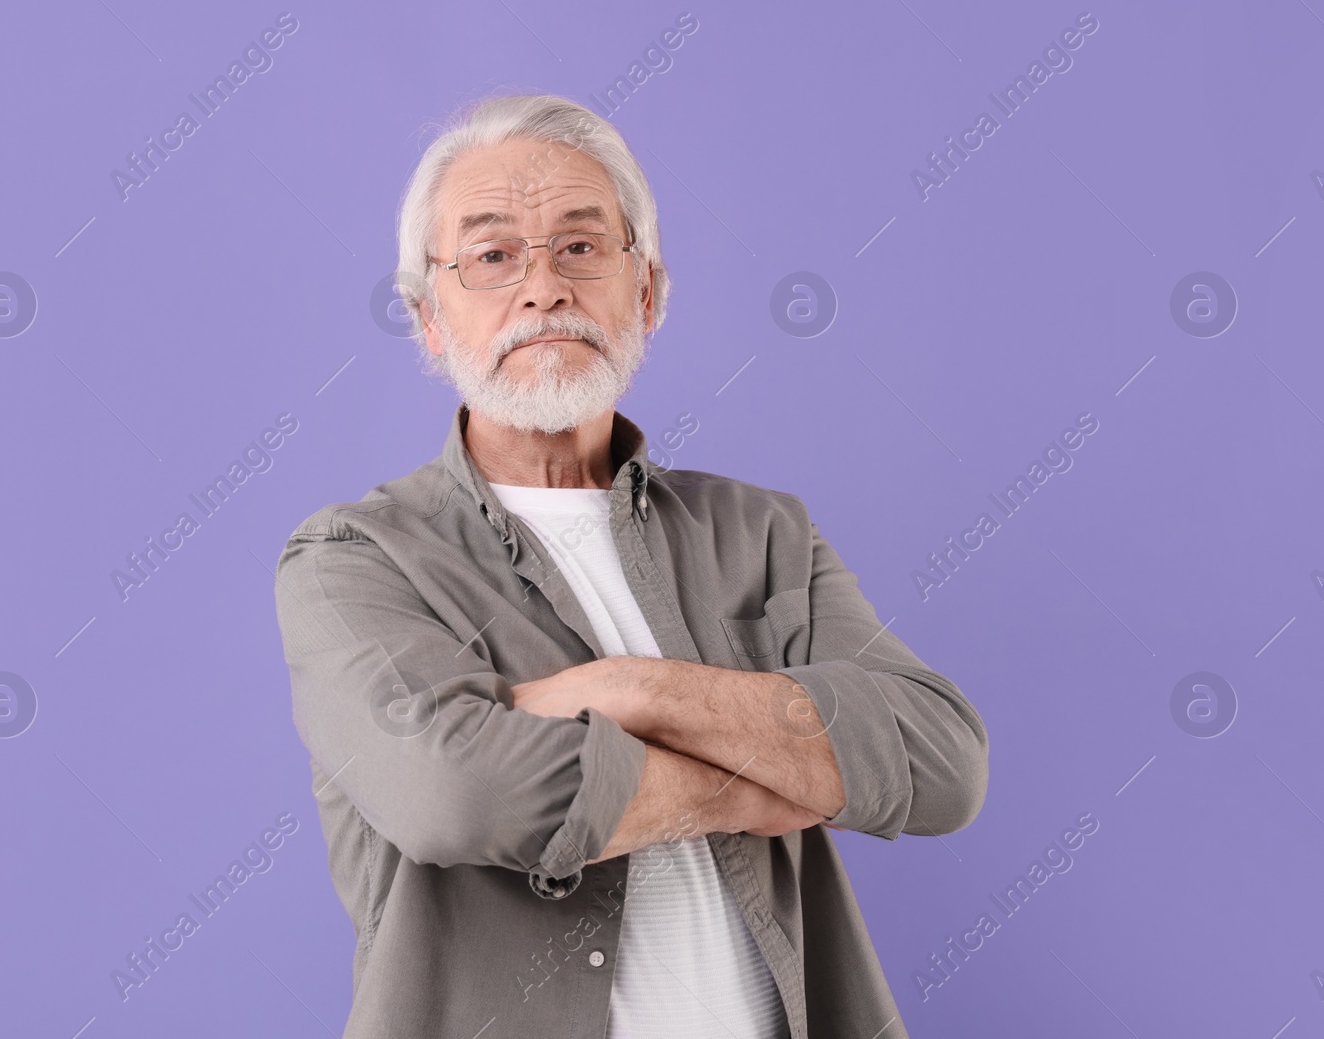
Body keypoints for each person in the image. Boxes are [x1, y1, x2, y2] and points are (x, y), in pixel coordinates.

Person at [273, 93, 989, 1039]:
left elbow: (940, 759)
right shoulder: (353, 560)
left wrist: (631, 687)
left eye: (580, 246)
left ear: (646, 291)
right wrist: (792, 768)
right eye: (492, 256)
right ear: (430, 320)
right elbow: (457, 793)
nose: (544, 288)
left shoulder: (763, 530)